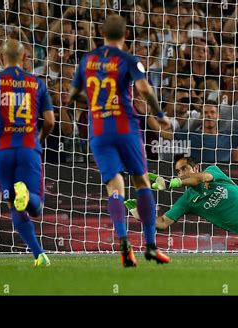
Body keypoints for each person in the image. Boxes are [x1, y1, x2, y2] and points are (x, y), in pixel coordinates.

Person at [68, 15, 171, 267]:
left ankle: (124, 244)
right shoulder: (129, 60)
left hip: (99, 131)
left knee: (114, 187)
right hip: (125, 127)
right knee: (141, 181)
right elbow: (144, 90)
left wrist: (94, 101)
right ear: (125, 35)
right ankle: (150, 245)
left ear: (101, 33)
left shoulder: (87, 59)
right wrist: (160, 115)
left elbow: (71, 95)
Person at [0, 39, 55, 267]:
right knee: (35, 207)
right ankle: (26, 195)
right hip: (28, 147)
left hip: (2, 150)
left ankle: (39, 255)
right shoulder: (37, 84)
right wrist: (39, 139)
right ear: (26, 58)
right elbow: (49, 121)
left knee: (12, 204)